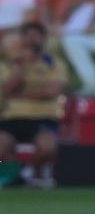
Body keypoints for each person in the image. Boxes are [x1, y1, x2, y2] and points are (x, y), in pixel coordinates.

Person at [0, 22, 65, 188]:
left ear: (43, 38)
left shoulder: (53, 63)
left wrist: (19, 96)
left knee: (47, 148)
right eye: (27, 35)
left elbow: (51, 92)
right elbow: (6, 91)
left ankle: (29, 172)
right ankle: (18, 174)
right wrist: (20, 69)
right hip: (11, 117)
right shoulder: (9, 63)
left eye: (36, 35)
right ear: (22, 39)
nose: (31, 40)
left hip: (43, 117)